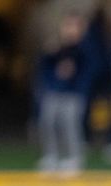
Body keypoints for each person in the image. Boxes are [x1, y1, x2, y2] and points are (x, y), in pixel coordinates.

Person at [36, 12, 94, 174]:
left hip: (73, 93)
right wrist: (50, 54)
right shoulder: (56, 47)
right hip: (54, 91)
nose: (70, 30)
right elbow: (44, 68)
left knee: (70, 124)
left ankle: (74, 158)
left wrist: (79, 86)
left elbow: (90, 70)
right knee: (48, 121)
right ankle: (52, 156)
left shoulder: (86, 47)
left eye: (74, 26)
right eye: (67, 26)